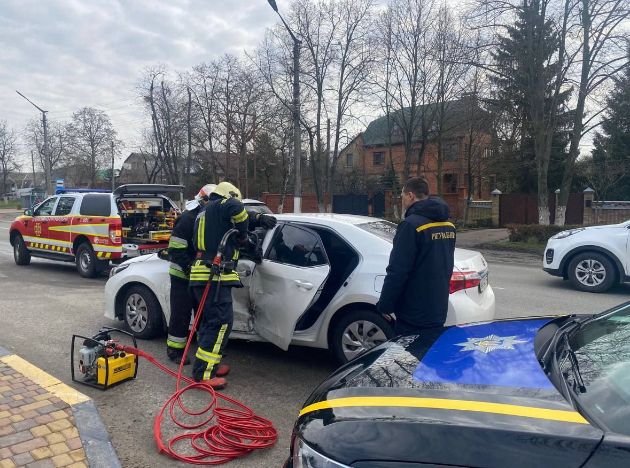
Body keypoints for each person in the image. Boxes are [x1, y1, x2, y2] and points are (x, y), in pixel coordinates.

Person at [189, 182, 276, 388]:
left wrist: (259, 219)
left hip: (204, 274)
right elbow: (236, 210)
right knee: (219, 324)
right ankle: (203, 374)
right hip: (214, 276)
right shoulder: (224, 205)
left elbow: (234, 217)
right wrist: (244, 235)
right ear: (229, 196)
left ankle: (211, 364)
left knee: (212, 323)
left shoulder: (205, 211)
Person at [376, 177, 456, 336]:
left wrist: (385, 305)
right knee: (429, 353)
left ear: (411, 196)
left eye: (403, 196)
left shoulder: (411, 225)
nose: (402, 200)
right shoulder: (448, 226)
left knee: (409, 356)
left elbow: (398, 270)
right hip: (438, 306)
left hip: (413, 311)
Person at [165, 184, 215, 365]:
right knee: (181, 313)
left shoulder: (209, 219)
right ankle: (175, 351)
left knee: (203, 314)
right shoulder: (187, 219)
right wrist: (188, 267)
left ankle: (204, 351)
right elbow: (175, 249)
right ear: (204, 201)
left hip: (199, 275)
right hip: (182, 275)